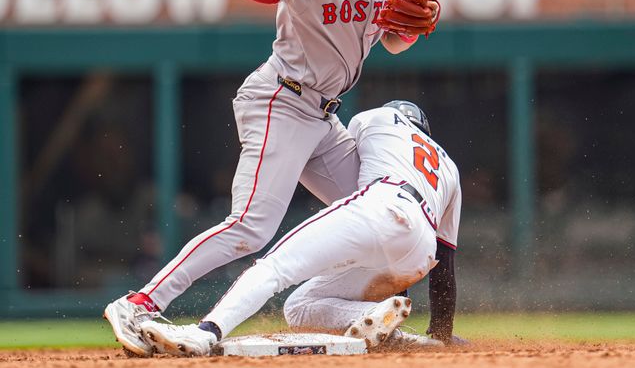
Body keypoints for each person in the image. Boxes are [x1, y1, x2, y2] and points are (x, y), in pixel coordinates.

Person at [104, 0, 435, 356]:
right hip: (281, 102)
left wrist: (418, 21)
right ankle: (139, 302)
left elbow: (393, 40)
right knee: (250, 227)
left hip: (323, 118)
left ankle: (359, 316)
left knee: (382, 214)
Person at [138, 101, 462, 355]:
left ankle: (206, 332)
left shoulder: (377, 117)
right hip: (420, 248)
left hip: (381, 204)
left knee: (274, 267)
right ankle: (397, 329)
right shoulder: (449, 167)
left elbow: (342, 166)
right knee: (299, 306)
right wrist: (442, 333)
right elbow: (444, 265)